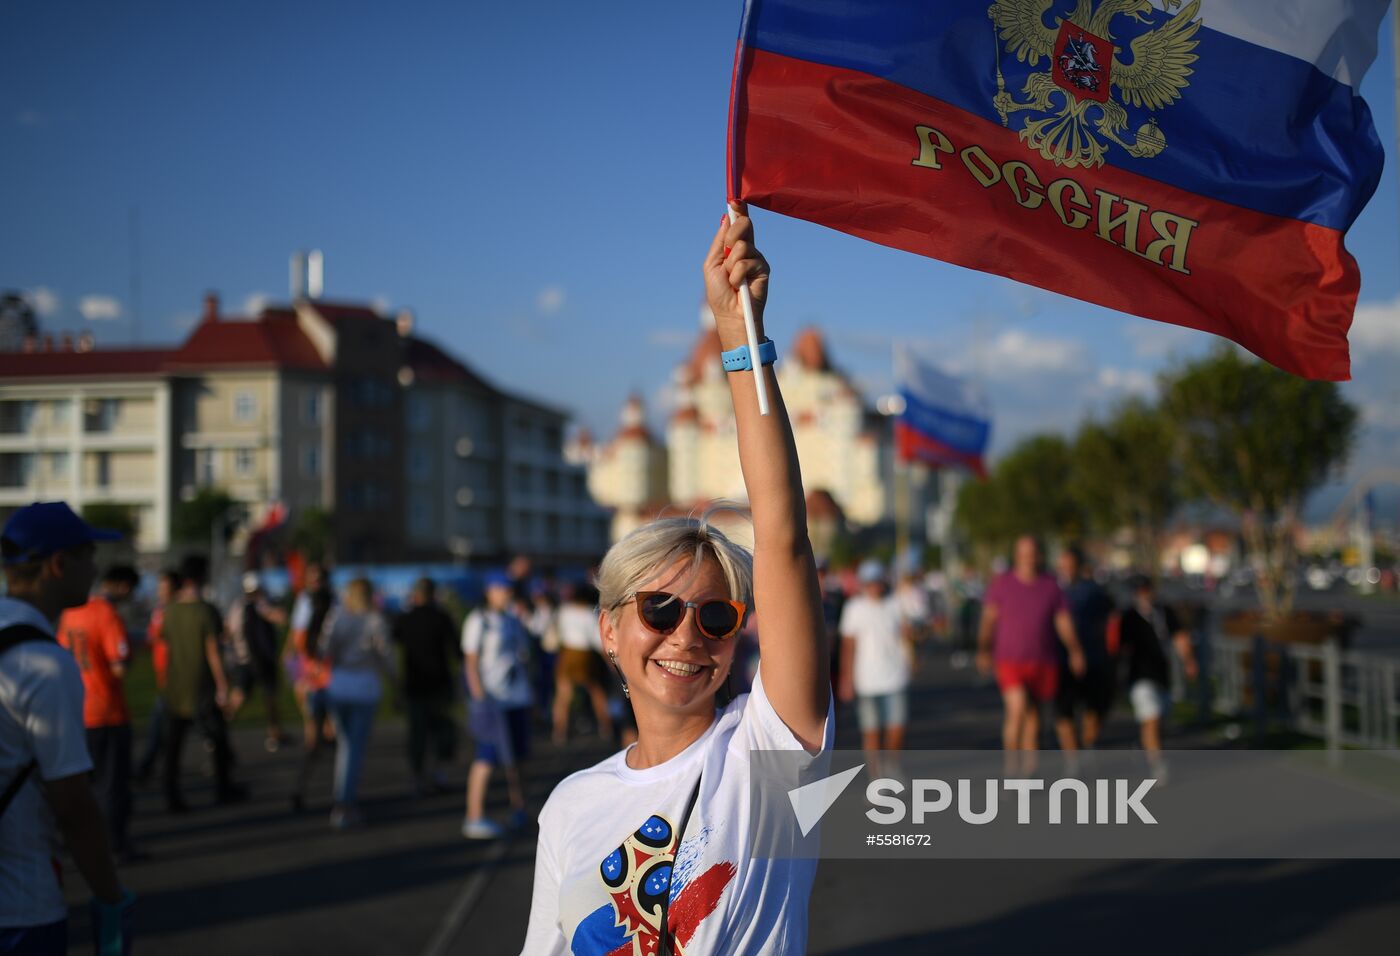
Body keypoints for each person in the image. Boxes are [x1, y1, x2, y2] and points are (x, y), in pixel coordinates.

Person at [521, 210, 832, 953]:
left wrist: (739, 336)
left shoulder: (767, 757)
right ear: (610, 628)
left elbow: (783, 533)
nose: (687, 635)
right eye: (659, 609)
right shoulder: (573, 805)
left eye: (717, 616)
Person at [0, 502, 133, 954]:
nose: (96, 568)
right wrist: (110, 899)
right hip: (20, 904)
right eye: (88, 554)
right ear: (58, 564)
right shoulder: (45, 665)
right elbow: (74, 806)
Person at [977, 536, 1086, 769]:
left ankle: (1028, 772)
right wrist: (984, 648)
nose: (1028, 558)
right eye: (1023, 553)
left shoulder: (1050, 586)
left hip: (1043, 659)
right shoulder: (1002, 584)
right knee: (1017, 710)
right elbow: (988, 619)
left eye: (1032, 552)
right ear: (1016, 556)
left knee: (1034, 718)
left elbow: (1063, 621)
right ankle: (1010, 768)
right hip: (1009, 659)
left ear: (1039, 555)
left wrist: (1075, 650)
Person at [56, 566, 137, 861]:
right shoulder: (106, 614)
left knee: (81, 785)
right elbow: (119, 665)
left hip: (78, 709)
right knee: (112, 785)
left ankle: (80, 842)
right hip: (107, 711)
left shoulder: (69, 614)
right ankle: (114, 845)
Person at [162, 554, 244, 811]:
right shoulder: (206, 610)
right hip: (202, 686)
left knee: (174, 745)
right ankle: (223, 788)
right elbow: (212, 650)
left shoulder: (171, 610)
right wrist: (222, 684)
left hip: (176, 683)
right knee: (217, 738)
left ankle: (171, 794)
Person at [317, 578, 395, 829]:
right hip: (364, 687)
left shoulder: (337, 618)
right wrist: (396, 681)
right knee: (354, 747)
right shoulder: (375, 620)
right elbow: (386, 656)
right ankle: (344, 802)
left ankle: (344, 798)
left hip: (339, 684)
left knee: (345, 745)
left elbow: (324, 650)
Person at [461, 573, 534, 839]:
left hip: (517, 697)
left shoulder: (513, 619)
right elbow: (470, 661)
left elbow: (523, 655)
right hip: (493, 700)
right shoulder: (478, 620)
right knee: (486, 756)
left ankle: (519, 808)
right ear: (489, 591)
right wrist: (479, 697)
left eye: (508, 589)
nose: (506, 593)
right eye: (500, 589)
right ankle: (474, 815)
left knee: (519, 757)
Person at [838, 559, 912, 777]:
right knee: (871, 732)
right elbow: (848, 646)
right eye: (869, 582)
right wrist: (846, 679)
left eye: (876, 581)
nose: (874, 586)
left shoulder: (896, 604)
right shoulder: (854, 608)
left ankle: (891, 766)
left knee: (896, 728)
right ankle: (876, 776)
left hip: (895, 676)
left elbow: (906, 637)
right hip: (867, 680)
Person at [1118, 574, 1197, 778]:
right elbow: (1120, 647)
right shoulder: (1129, 617)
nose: (1144, 595)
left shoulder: (1164, 613)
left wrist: (1188, 660)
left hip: (1161, 674)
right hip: (1139, 676)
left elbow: (1179, 637)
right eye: (1139, 591)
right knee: (1152, 715)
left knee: (1157, 719)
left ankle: (1146, 747)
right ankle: (1158, 765)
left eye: (1146, 590)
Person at [392, 576, 459, 795]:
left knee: (417, 732)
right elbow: (456, 651)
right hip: (439, 682)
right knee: (440, 729)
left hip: (414, 682)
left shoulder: (405, 618)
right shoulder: (442, 617)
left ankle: (416, 775)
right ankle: (439, 771)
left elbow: (393, 642)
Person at [1053, 545, 1116, 755]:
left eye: (1071, 565)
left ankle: (1088, 744)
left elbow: (1112, 619)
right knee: (1063, 711)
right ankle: (1073, 759)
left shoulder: (1094, 592)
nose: (1067, 569)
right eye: (1064, 565)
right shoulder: (1052, 590)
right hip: (1060, 660)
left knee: (1095, 707)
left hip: (1093, 658)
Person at [224, 571, 288, 752]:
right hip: (258, 660)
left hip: (246, 660)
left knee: (245, 696)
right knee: (267, 697)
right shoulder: (258, 604)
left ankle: (221, 730)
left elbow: (228, 632)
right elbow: (280, 617)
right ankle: (274, 733)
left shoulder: (239, 606)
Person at [551, 584, 613, 745]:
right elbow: (597, 641)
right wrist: (610, 662)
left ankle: (559, 731)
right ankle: (606, 727)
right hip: (585, 656)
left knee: (563, 695)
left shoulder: (564, 611)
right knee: (597, 692)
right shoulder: (589, 613)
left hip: (566, 654)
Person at [135, 567, 180, 782]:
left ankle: (148, 767)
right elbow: (152, 638)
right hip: (164, 676)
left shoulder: (174, 612)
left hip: (175, 677)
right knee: (165, 725)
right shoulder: (160, 611)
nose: (160, 591)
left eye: (164, 587)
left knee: (163, 725)